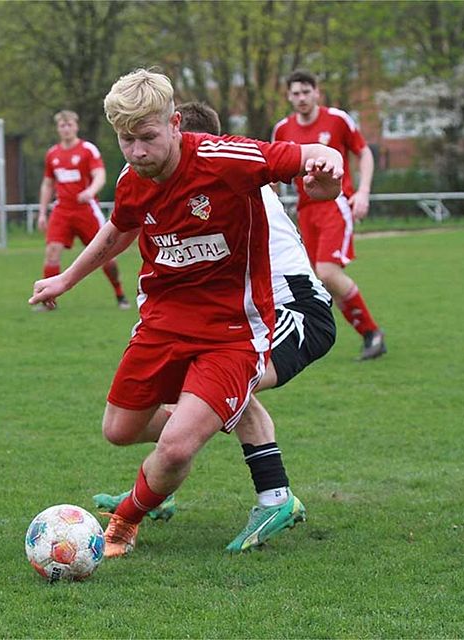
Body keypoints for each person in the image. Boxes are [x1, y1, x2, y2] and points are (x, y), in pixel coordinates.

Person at [29, 69, 343, 557]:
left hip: (268, 313)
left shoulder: (230, 163)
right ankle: (164, 476)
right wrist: (67, 278)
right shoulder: (136, 178)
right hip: (169, 321)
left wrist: (330, 177)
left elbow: (317, 159)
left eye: (147, 138)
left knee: (194, 425)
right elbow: (120, 229)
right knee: (121, 429)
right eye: (126, 140)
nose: (136, 152)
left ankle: (230, 497)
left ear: (178, 127)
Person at [272, 69, 387, 360]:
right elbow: (272, 172)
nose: (301, 98)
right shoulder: (282, 129)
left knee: (326, 271)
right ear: (289, 96)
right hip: (305, 211)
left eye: (306, 92)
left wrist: (363, 192)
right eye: (295, 93)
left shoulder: (337, 119)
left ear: (316, 93)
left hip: (336, 204)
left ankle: (372, 333)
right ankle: (363, 336)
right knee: (319, 280)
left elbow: (364, 152)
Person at [36, 110, 130, 310]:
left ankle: (120, 294)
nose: (66, 128)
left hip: (86, 210)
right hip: (62, 209)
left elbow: (100, 175)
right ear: (58, 129)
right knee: (52, 251)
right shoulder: (52, 154)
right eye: (62, 125)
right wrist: (42, 212)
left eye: (69, 124)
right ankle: (48, 301)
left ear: (76, 127)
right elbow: (47, 184)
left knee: (106, 255)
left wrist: (90, 191)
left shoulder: (88, 150)